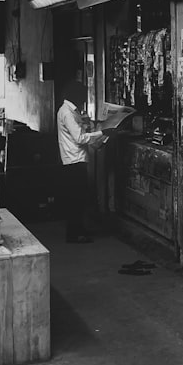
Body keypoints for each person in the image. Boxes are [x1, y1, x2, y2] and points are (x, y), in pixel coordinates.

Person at [56, 80, 114, 243]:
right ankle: (74, 234)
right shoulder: (67, 113)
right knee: (76, 199)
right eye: (82, 95)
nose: (84, 99)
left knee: (78, 198)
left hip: (73, 160)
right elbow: (80, 138)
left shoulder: (69, 111)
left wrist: (85, 123)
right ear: (75, 95)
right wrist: (102, 132)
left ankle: (78, 229)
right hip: (74, 161)